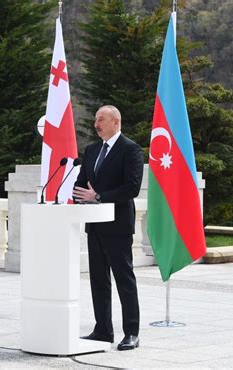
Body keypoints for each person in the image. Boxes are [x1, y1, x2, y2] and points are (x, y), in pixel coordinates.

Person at [73, 105, 143, 350]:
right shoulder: (92, 150)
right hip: (95, 226)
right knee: (98, 280)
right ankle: (102, 330)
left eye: (101, 119)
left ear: (116, 121)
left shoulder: (130, 149)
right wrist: (77, 196)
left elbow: (131, 189)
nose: (96, 124)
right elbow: (82, 184)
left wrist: (99, 196)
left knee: (124, 279)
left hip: (118, 225)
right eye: (95, 120)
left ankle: (131, 333)